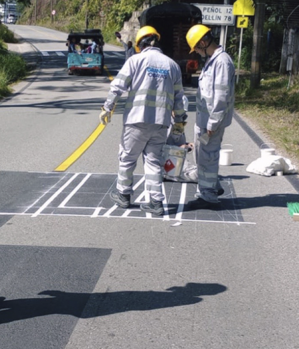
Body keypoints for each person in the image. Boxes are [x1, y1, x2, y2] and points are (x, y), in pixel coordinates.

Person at [100, 26, 188, 216]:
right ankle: (155, 202)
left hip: (136, 120)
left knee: (127, 158)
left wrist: (107, 107)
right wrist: (180, 121)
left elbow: (117, 86)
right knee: (153, 161)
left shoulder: (135, 60)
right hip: (160, 122)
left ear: (140, 44)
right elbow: (180, 98)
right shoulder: (172, 65)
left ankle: (123, 195)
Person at [184, 24, 235, 210]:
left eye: (197, 48)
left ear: (204, 42)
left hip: (211, 123)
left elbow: (221, 96)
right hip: (205, 121)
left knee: (208, 157)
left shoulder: (221, 62)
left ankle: (208, 197)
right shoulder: (213, 61)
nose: (196, 52)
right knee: (202, 155)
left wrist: (212, 124)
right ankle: (212, 186)